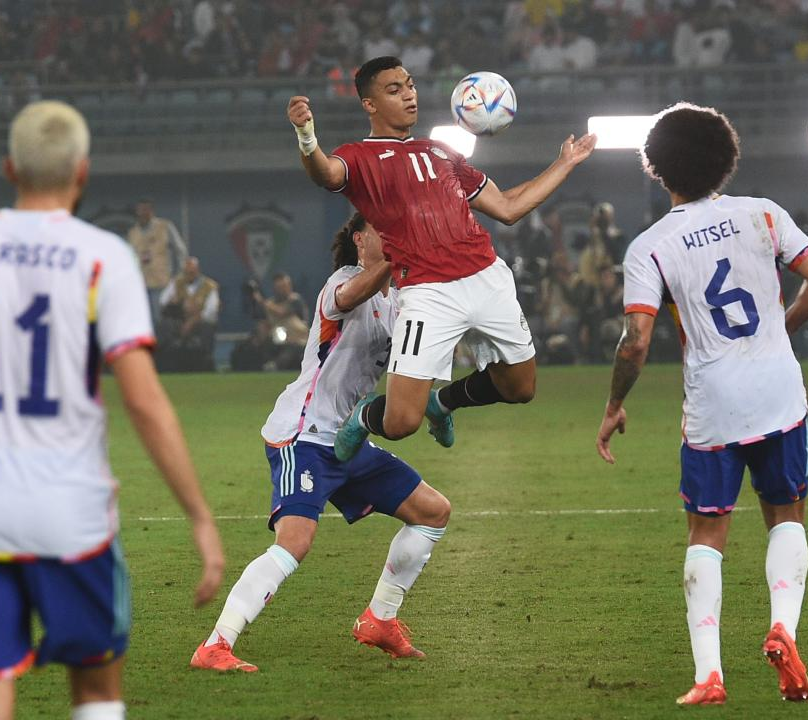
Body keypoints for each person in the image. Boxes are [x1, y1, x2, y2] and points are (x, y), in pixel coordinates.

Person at [0, 101, 225, 720]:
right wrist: (199, 516)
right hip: (72, 517)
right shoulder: (103, 256)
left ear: (9, 168)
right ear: (82, 171)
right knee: (97, 692)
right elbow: (143, 399)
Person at [594, 103, 808, 706]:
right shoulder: (763, 213)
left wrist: (615, 402)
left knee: (707, 531)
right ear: (727, 159)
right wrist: (780, 329)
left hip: (713, 402)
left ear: (656, 168)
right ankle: (783, 629)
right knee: (787, 514)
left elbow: (636, 340)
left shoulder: (650, 245)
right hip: (779, 391)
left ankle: (710, 676)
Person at [286, 56, 596, 463]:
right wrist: (307, 136)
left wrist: (564, 163)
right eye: (394, 90)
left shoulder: (441, 152)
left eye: (410, 85)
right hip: (429, 293)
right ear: (369, 104)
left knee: (521, 388)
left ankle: (443, 402)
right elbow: (326, 173)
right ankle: (364, 416)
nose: (409, 95)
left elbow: (507, 207)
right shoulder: (360, 157)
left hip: (487, 277)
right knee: (400, 422)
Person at [190, 213, 450, 672]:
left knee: (433, 512)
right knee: (295, 541)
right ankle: (215, 644)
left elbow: (410, 369)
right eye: (382, 232)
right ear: (360, 240)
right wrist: (393, 262)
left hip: (349, 439)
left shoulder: (398, 304)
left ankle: (379, 619)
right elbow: (351, 296)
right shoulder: (342, 282)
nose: (393, 237)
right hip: (304, 434)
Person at [126, 198, 188, 321]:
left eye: (146, 210)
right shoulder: (133, 232)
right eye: (140, 210)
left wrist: (179, 276)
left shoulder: (165, 226)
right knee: (143, 319)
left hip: (162, 282)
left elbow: (180, 250)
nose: (143, 213)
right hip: (141, 283)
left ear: (151, 211)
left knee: (160, 318)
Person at [158, 256, 220, 372]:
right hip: (180, 320)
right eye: (187, 272)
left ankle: (203, 363)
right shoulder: (176, 283)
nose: (189, 275)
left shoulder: (209, 286)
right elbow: (162, 301)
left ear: (198, 270)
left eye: (192, 272)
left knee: (207, 326)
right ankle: (166, 362)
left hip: (200, 322)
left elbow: (211, 311)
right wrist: (174, 303)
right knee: (165, 325)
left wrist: (192, 321)